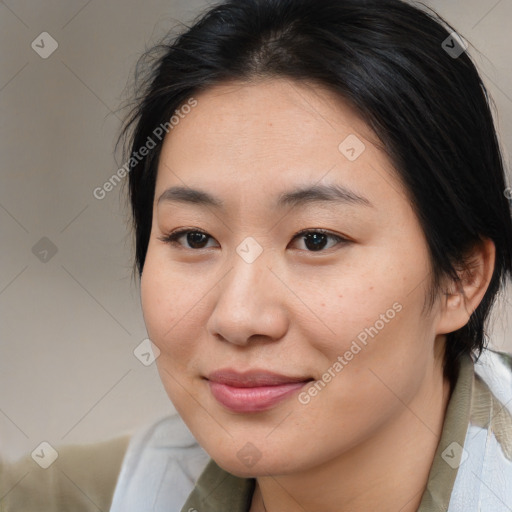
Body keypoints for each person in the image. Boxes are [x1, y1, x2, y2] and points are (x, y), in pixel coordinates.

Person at [110, 0, 512, 510]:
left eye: (315, 239)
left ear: (461, 277)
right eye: (194, 237)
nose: (238, 317)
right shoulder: (101, 492)